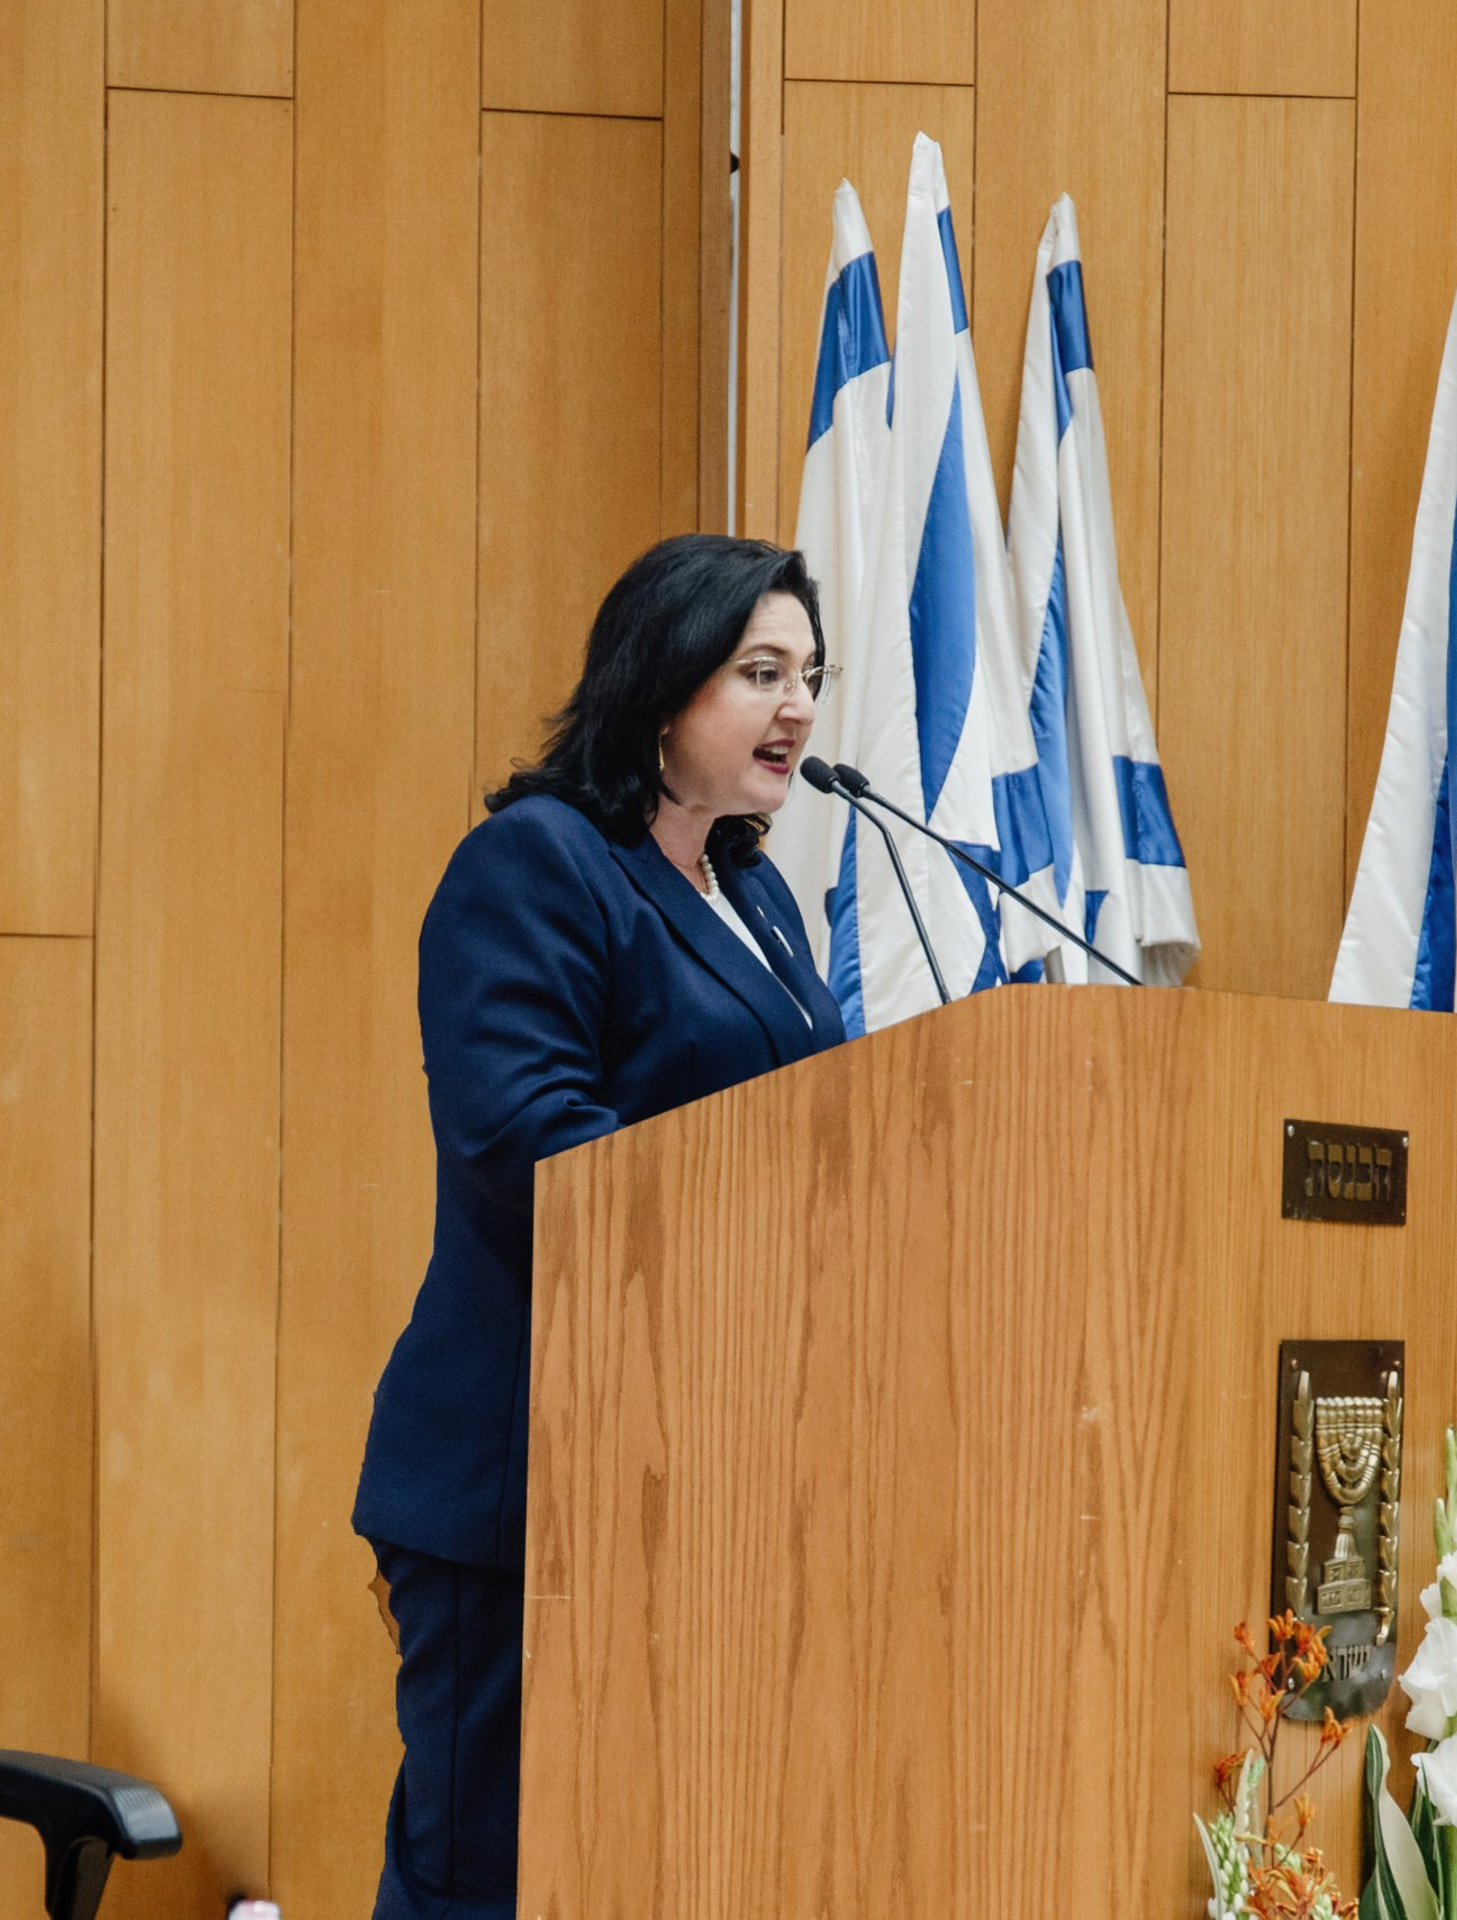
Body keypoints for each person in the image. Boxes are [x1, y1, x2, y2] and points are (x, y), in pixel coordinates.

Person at [352, 535, 847, 1918]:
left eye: (811, 675)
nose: (799, 709)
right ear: (661, 684)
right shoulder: (536, 863)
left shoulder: (752, 893)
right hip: (528, 1474)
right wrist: (763, 1211)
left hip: (705, 1477)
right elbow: (525, 1141)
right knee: (485, 1878)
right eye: (761, 672)